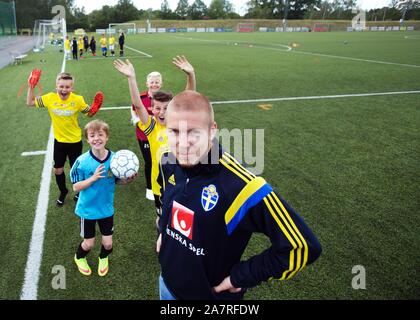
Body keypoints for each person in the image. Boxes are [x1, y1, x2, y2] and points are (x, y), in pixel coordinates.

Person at [155, 90, 322, 300]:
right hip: (167, 284)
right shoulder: (167, 159)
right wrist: (163, 230)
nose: (183, 142)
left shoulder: (241, 185)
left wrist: (241, 276)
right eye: (174, 131)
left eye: (193, 132)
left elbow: (302, 246)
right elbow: (167, 198)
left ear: (212, 130)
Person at [114, 56, 196, 226]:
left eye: (166, 108)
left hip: (181, 184)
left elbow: (189, 97)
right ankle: (161, 234)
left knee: (181, 220)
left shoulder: (179, 123)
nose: (161, 112)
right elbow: (137, 104)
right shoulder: (151, 127)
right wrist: (132, 78)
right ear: (152, 108)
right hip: (159, 185)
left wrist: (191, 74)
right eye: (157, 108)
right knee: (162, 218)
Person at [70, 120, 136, 276]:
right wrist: (92, 179)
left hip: (106, 209)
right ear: (87, 139)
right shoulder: (82, 161)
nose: (96, 138)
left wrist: (127, 180)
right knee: (89, 243)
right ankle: (79, 257)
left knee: (108, 244)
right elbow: (75, 187)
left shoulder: (116, 160)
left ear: (107, 137)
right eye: (92, 135)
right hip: (87, 210)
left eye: (100, 134)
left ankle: (103, 257)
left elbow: (116, 180)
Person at [26, 72, 101, 206]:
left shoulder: (78, 99)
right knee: (58, 169)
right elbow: (30, 102)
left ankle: (78, 191)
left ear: (72, 88)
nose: (64, 90)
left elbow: (89, 113)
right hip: (59, 142)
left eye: (67, 87)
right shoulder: (49, 98)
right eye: (61, 86)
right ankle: (63, 191)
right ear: (56, 86)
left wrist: (94, 109)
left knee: (75, 169)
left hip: (75, 142)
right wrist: (31, 87)